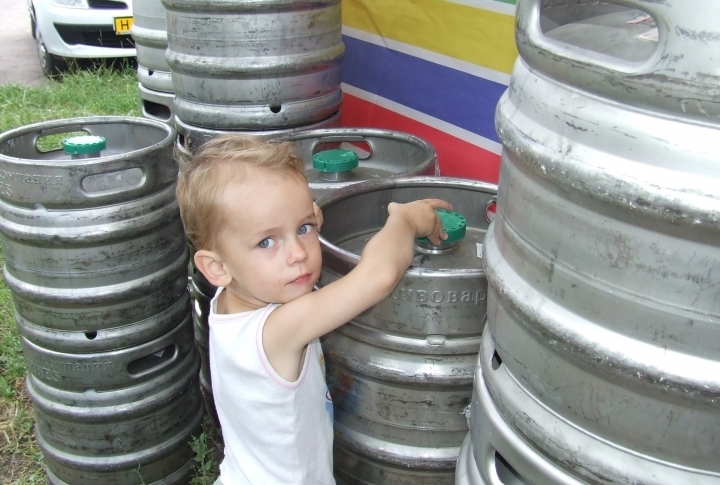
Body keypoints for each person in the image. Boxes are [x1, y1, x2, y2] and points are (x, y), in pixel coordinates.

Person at [175, 134, 450, 485]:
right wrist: (404, 222)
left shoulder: (230, 300)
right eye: (266, 242)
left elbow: (278, 224)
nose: (298, 253)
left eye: (304, 228)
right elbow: (377, 277)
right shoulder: (278, 329)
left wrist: (290, 224)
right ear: (216, 267)